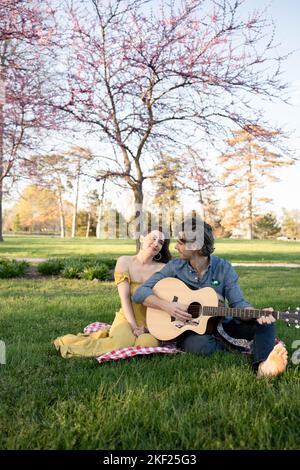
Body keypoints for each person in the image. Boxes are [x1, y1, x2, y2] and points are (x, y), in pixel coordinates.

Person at [132, 217, 288, 377]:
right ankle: (240, 346)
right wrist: (168, 306)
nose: (176, 246)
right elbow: (140, 293)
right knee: (200, 345)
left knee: (267, 324)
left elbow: (238, 303)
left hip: (222, 323)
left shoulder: (223, 268)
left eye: (181, 242)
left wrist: (255, 313)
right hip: (190, 329)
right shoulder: (174, 267)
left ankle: (263, 367)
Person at [54, 228, 171, 358]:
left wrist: (147, 329)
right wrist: (134, 327)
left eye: (160, 242)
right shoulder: (124, 261)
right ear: (142, 238)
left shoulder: (163, 268)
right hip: (127, 318)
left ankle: (113, 336)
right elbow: (125, 298)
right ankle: (72, 346)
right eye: (153, 238)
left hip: (150, 323)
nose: (156, 244)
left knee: (147, 344)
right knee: (122, 343)